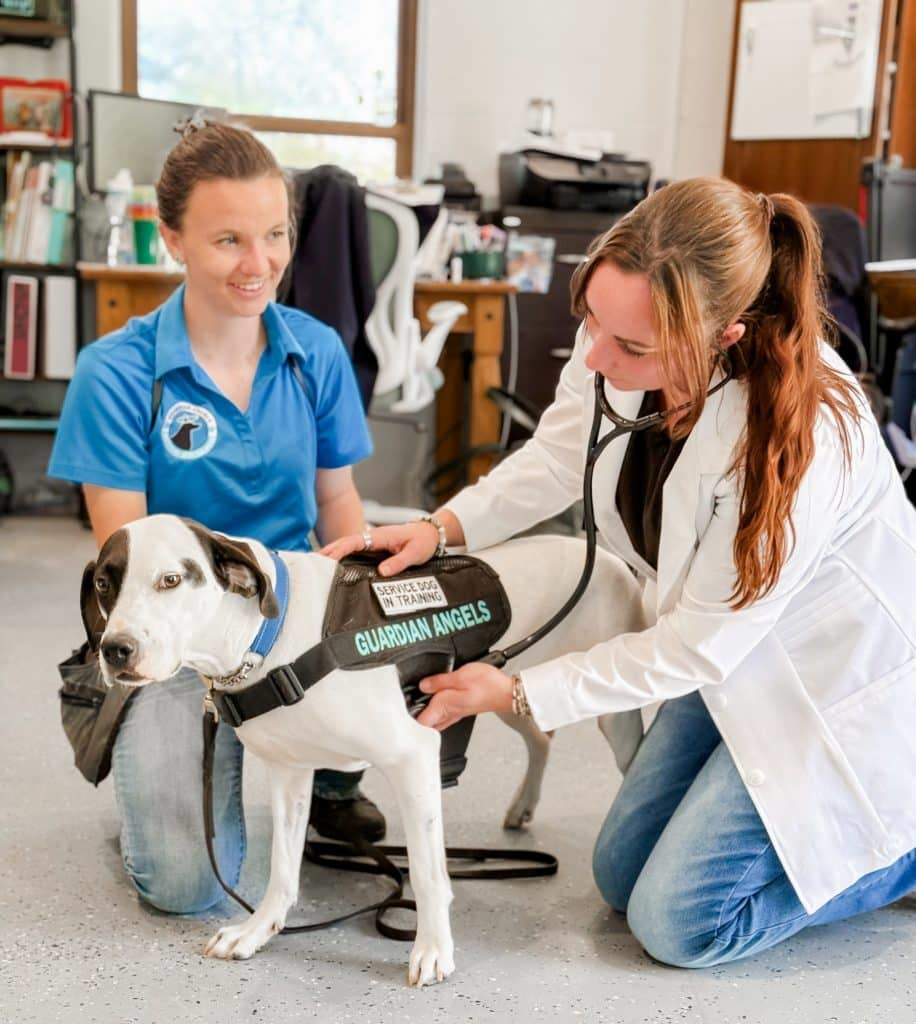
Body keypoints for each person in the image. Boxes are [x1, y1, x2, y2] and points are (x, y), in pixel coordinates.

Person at [322, 177, 916, 967]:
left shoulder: (803, 436)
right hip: (726, 664)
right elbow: (559, 454)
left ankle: (898, 851)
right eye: (592, 323)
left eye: (630, 347)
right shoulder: (625, 333)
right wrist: (440, 528)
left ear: (727, 333)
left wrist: (523, 690)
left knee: (680, 925)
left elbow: (698, 645)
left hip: (826, 682)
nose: (596, 357)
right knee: (617, 875)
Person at [48, 119, 386, 914]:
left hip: (292, 612)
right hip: (177, 622)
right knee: (186, 885)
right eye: (229, 239)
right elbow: (122, 561)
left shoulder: (317, 350)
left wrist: (360, 610)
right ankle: (147, 762)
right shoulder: (116, 373)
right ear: (171, 239)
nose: (259, 263)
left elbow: (337, 501)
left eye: (275, 234)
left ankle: (330, 775)